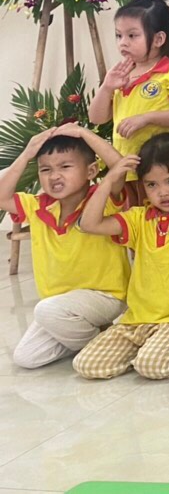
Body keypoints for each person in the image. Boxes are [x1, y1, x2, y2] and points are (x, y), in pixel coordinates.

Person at [75, 134, 169, 381]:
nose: (162, 192)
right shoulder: (138, 218)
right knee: (86, 365)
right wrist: (110, 179)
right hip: (138, 320)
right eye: (151, 185)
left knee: (151, 367)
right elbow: (89, 224)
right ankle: (151, 348)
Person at [0, 124, 131, 368]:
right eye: (45, 169)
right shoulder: (37, 206)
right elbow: (1, 195)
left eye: (65, 167)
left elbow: (120, 168)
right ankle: (99, 338)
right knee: (26, 357)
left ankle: (102, 344)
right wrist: (28, 153)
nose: (54, 176)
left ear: (91, 170)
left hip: (104, 296)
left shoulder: (101, 199)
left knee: (46, 311)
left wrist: (84, 133)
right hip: (60, 304)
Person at [87, 0, 169, 173]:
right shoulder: (121, 73)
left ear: (158, 39)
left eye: (132, 35)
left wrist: (147, 118)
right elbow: (96, 118)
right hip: (124, 168)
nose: (123, 42)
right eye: (118, 35)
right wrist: (106, 87)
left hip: (162, 170)